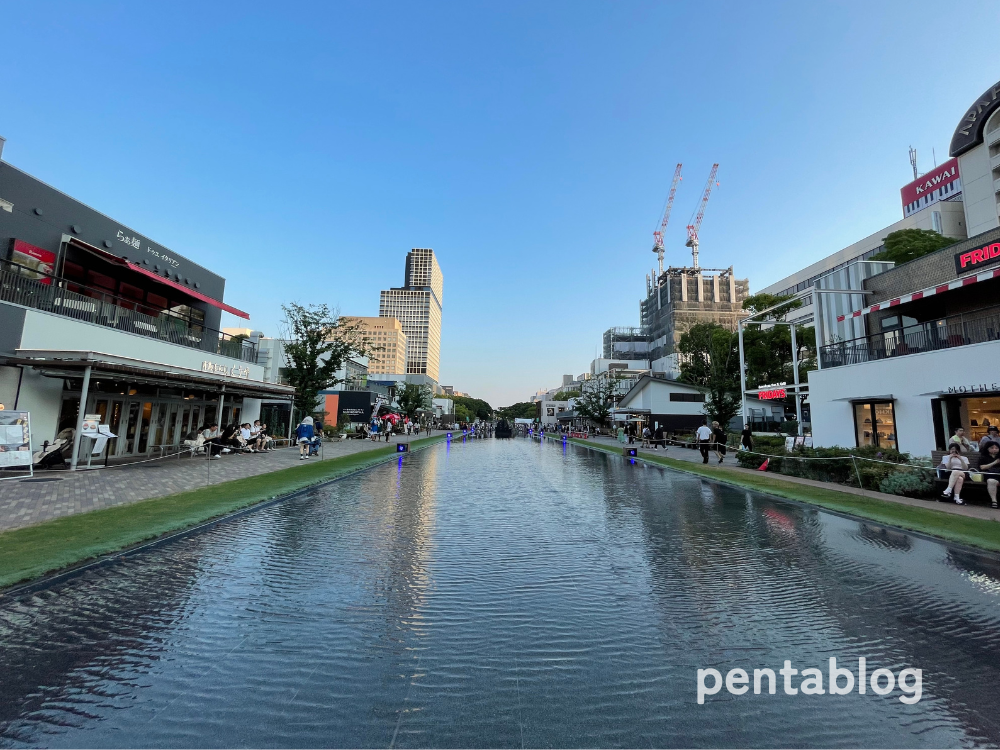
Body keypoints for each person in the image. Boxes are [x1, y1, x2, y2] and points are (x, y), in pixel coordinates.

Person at [979, 440, 1000, 509]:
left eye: (996, 448)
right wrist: (994, 463)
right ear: (987, 449)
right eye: (992, 448)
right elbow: (982, 467)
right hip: (990, 475)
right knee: (991, 481)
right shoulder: (983, 457)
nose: (994, 449)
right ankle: (994, 501)